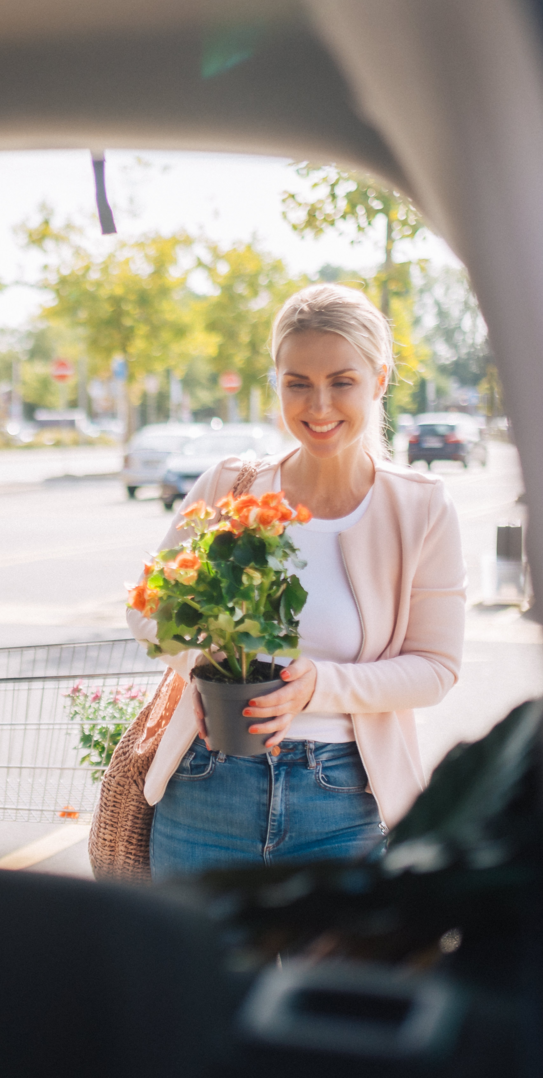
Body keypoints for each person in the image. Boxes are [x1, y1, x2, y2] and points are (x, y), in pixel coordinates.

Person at [131, 283, 464, 875]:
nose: (319, 406)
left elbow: (436, 667)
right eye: (298, 384)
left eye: (342, 381)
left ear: (379, 380)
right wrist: (203, 666)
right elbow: (146, 607)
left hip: (343, 801)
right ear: (276, 382)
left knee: (331, 974)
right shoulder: (230, 485)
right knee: (185, 972)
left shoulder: (421, 508)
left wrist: (318, 686)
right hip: (206, 787)